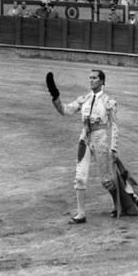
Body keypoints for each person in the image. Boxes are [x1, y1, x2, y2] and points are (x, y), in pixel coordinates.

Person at [46, 70, 118, 224]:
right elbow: (65, 110)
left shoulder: (108, 101)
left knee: (106, 179)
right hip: (84, 138)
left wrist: (113, 148)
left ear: (102, 81)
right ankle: (81, 213)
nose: (91, 80)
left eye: (94, 78)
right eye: (90, 78)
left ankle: (117, 204)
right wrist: (55, 95)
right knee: (80, 177)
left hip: (100, 139)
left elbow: (115, 126)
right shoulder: (84, 99)